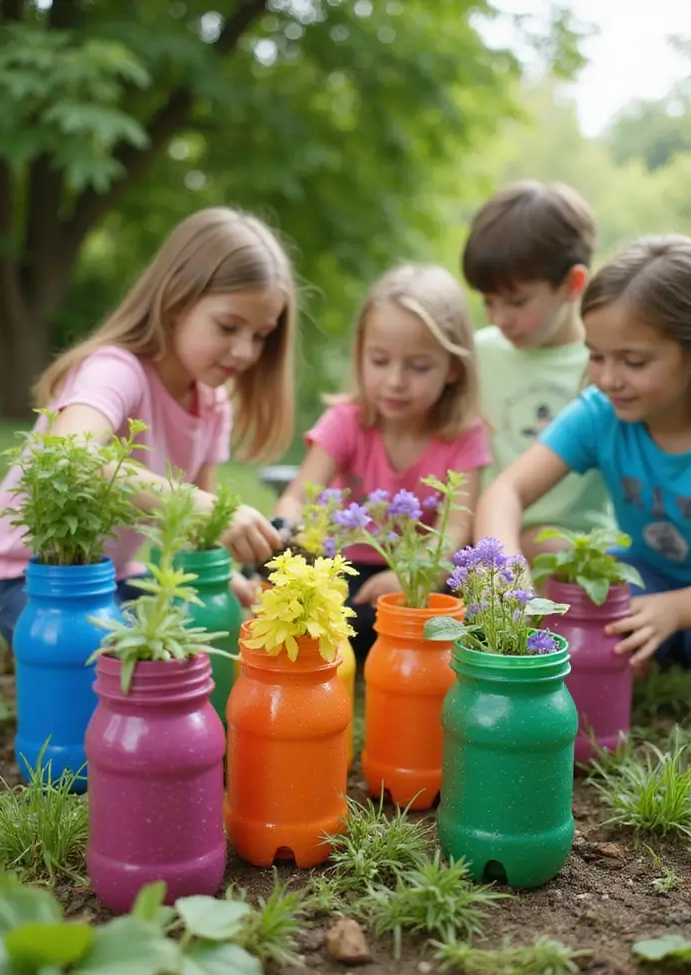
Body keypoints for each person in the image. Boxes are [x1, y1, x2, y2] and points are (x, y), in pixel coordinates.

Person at [0, 206, 296, 648]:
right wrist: (196, 504)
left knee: (192, 642)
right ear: (175, 301)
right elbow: (66, 457)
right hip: (29, 577)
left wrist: (216, 577)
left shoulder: (212, 403)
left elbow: (194, 534)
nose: (246, 351)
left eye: (261, 335)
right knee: (126, 657)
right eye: (229, 326)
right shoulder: (116, 370)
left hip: (109, 578)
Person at [474, 235, 691, 669]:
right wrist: (506, 573)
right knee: (596, 636)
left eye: (634, 362)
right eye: (596, 356)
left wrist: (678, 609)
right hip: (643, 582)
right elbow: (506, 492)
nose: (608, 378)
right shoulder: (600, 412)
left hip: (676, 602)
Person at [273, 262, 491, 660]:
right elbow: (296, 499)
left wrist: (409, 578)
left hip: (419, 579)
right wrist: (293, 542)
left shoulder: (464, 436)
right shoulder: (347, 420)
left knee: (449, 619)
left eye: (418, 366)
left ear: (454, 368)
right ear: (360, 355)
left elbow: (456, 527)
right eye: (379, 361)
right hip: (343, 572)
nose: (395, 381)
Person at [462, 180, 612, 563]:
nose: (499, 318)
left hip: (582, 555)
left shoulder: (606, 365)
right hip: (486, 551)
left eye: (517, 301)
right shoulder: (476, 355)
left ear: (572, 284)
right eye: (488, 301)